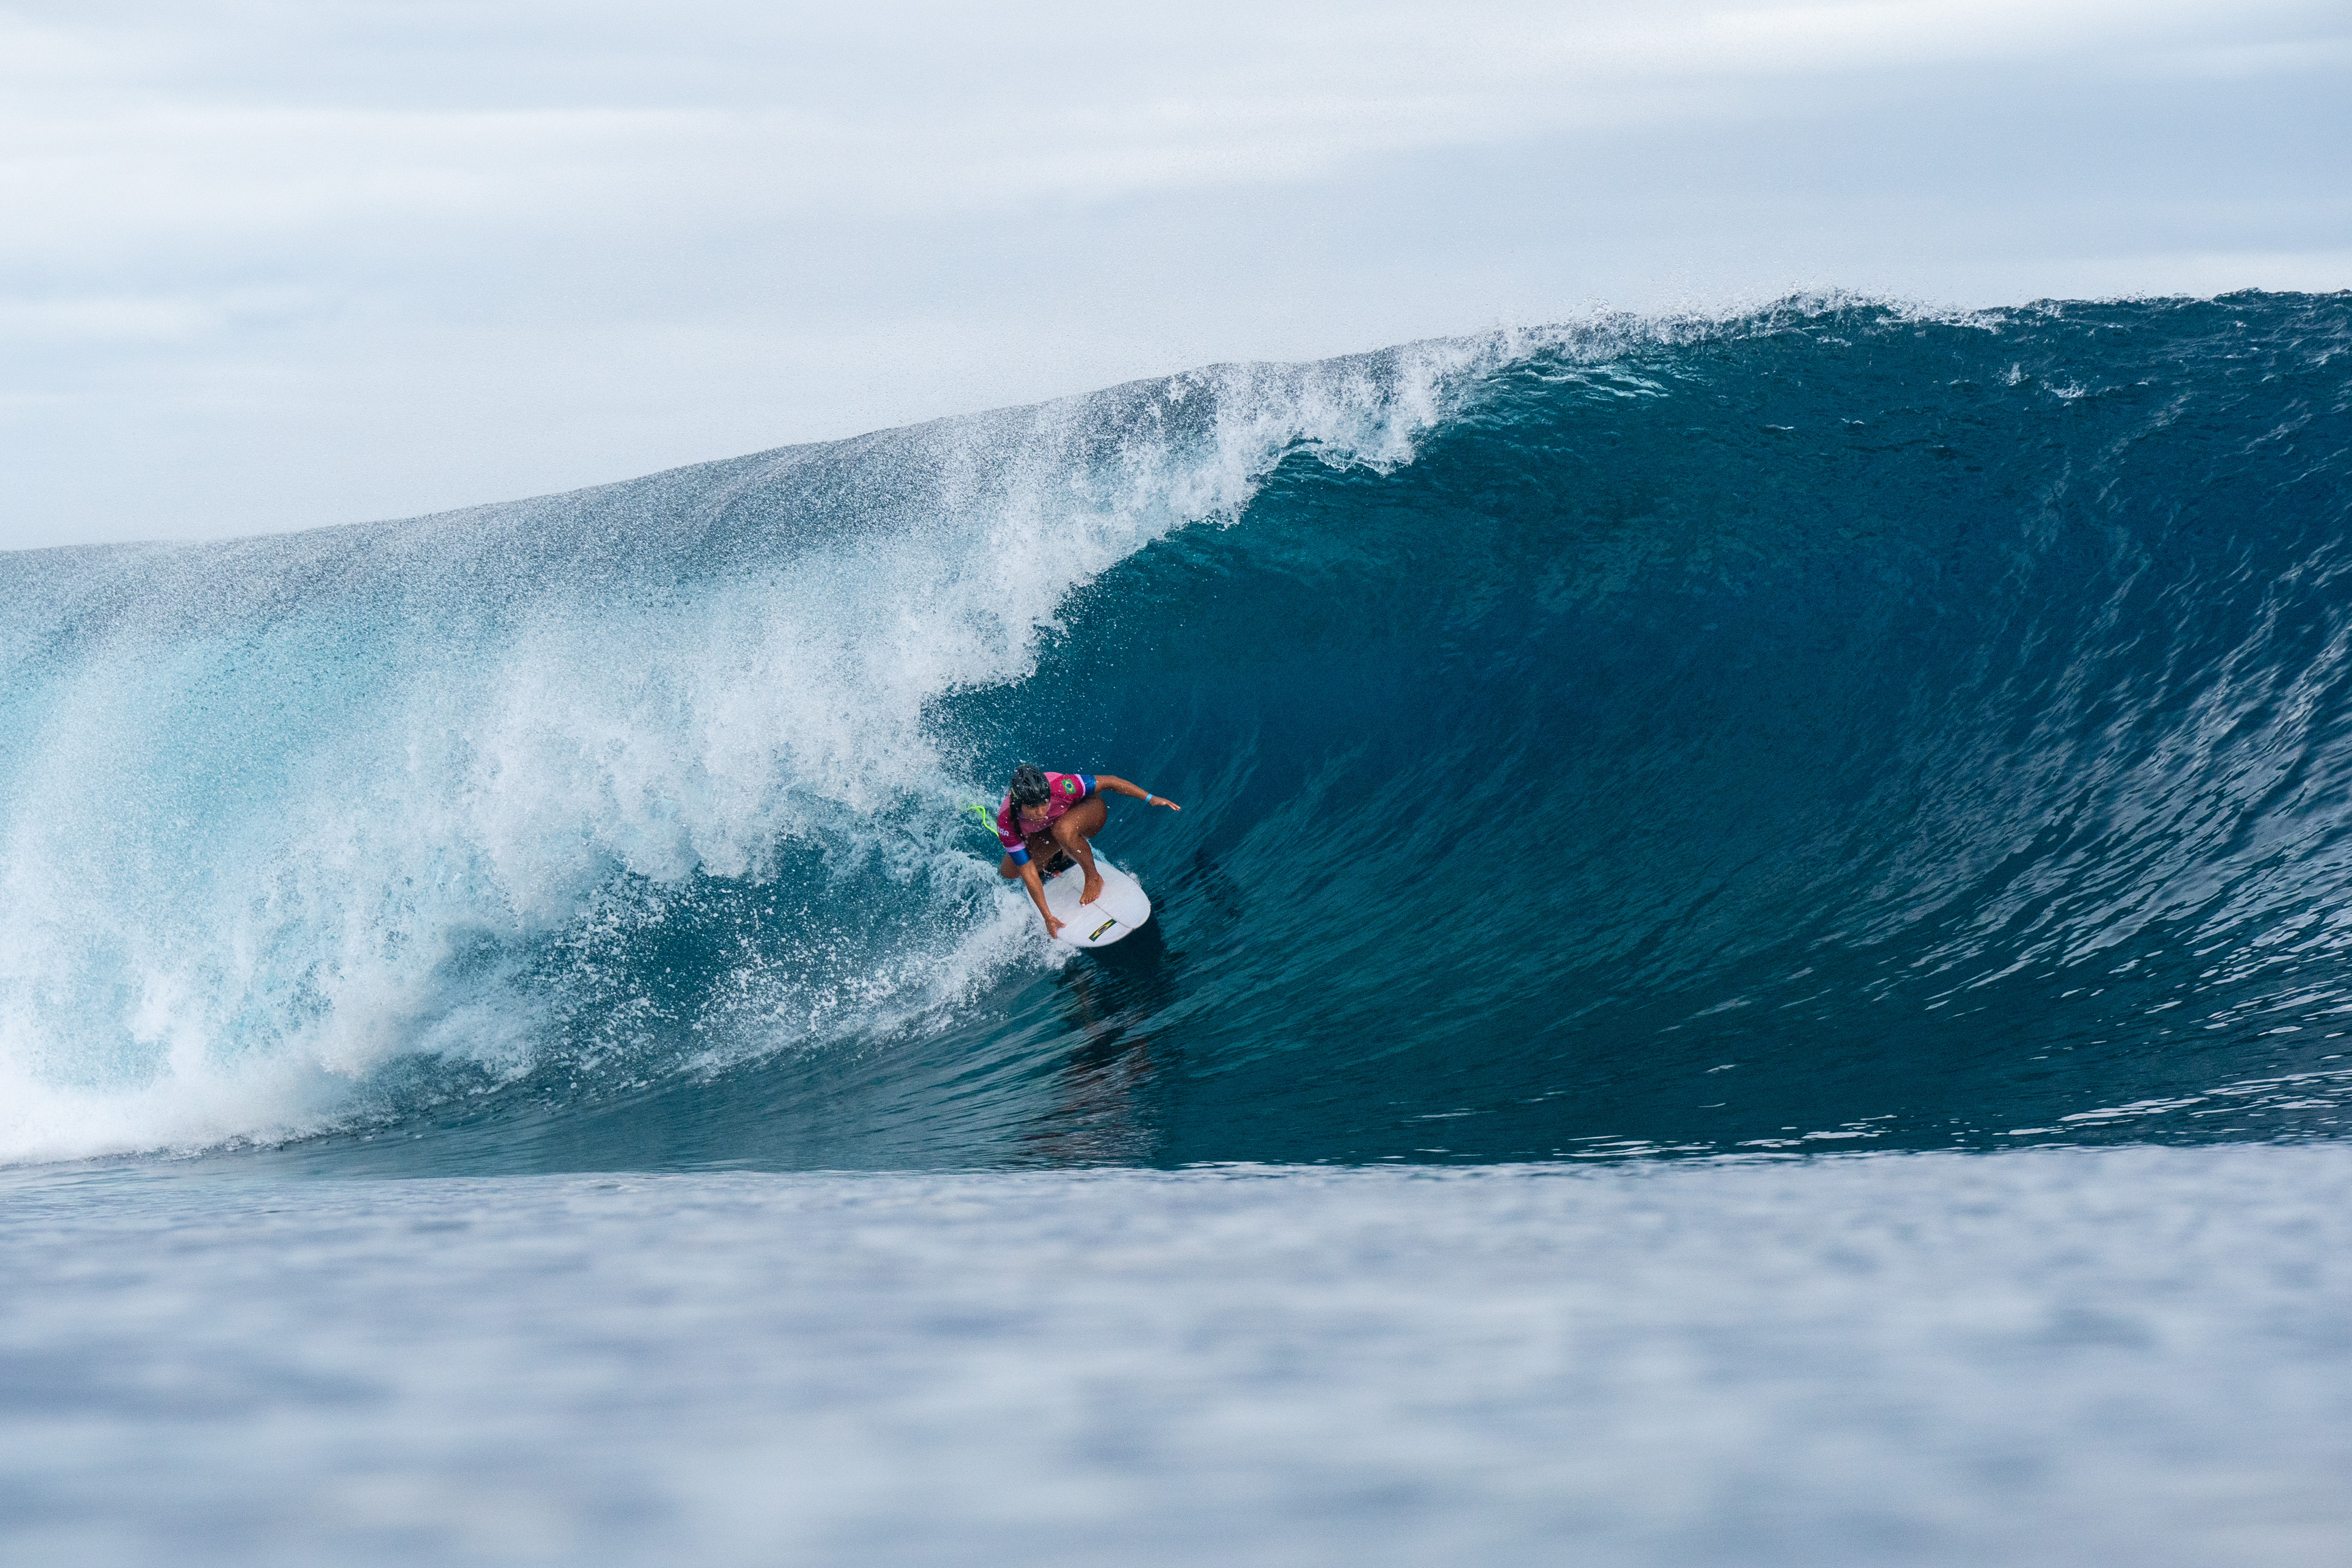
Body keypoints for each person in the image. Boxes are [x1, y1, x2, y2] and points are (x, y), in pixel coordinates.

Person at [996, 763, 1181, 939]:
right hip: (1051, 827)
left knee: (1063, 830)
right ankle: (1060, 853)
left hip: (1088, 811)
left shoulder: (1061, 787)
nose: (1040, 811)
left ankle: (1093, 877)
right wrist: (1048, 916)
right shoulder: (1007, 821)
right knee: (1010, 872)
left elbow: (1110, 781)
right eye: (1033, 807)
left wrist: (1151, 798)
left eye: (1044, 803)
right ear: (1020, 802)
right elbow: (1027, 870)